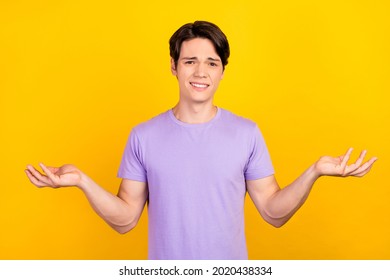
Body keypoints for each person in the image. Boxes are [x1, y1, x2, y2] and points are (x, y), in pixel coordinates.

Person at [25, 21, 377, 260]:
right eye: (190, 61)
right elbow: (126, 218)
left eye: (211, 63)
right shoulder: (143, 135)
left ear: (222, 71)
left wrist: (314, 171)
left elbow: (273, 212)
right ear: (174, 67)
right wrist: (82, 182)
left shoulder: (246, 133)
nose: (201, 72)